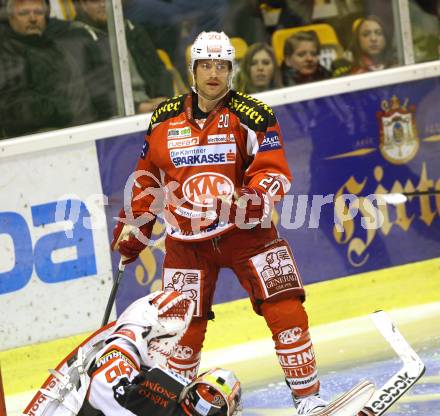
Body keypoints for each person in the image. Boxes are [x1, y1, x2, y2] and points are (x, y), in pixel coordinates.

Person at [110, 30, 330, 415]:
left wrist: (252, 198)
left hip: (248, 234)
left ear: (232, 70)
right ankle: (171, 407)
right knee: (179, 330)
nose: (214, 73)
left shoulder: (254, 114)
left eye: (222, 65)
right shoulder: (163, 118)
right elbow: (146, 179)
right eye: (205, 65)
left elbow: (274, 171)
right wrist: (134, 228)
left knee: (286, 310)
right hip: (186, 241)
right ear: (191, 70)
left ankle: (309, 400)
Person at [0, 0, 96, 139]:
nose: (33, 19)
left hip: (78, 132)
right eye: (24, 13)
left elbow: (82, 98)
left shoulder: (59, 48)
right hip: (34, 139)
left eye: (38, 12)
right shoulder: (6, 54)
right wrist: (63, 108)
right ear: (11, 18)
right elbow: (16, 111)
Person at [73, 0, 174, 115]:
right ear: (82, 5)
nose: (103, 5)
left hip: (151, 106)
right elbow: (92, 92)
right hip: (113, 116)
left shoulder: (132, 28)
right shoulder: (75, 38)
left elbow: (158, 70)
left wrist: (163, 97)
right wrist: (138, 107)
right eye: (95, 1)